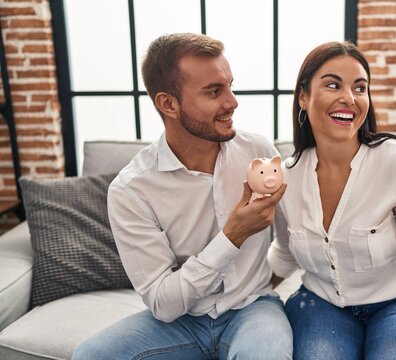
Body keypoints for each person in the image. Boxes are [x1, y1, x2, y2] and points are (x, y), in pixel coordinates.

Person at [73, 33, 292, 360]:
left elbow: (289, 242)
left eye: (230, 86)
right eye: (214, 91)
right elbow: (163, 304)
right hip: (181, 322)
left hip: (253, 308)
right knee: (89, 356)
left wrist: (261, 282)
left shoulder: (258, 152)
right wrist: (234, 235)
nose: (232, 102)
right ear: (168, 104)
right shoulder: (132, 190)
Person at [268, 41, 396, 360]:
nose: (349, 98)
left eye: (360, 88)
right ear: (303, 97)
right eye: (333, 84)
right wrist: (235, 297)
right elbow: (285, 253)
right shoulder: (286, 177)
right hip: (321, 305)